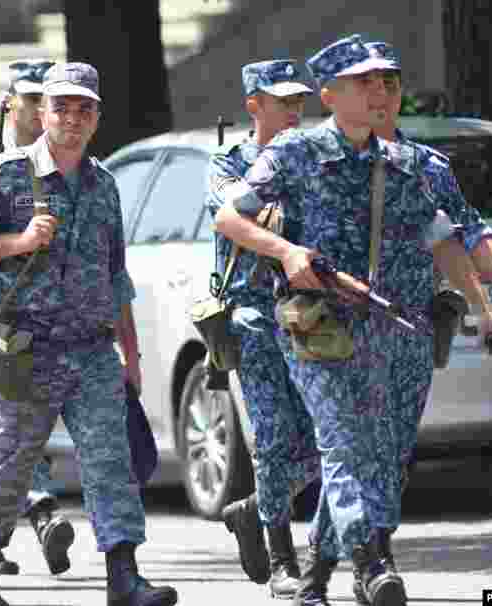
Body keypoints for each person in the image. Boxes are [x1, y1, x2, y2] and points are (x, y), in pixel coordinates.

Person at [214, 35, 492, 606]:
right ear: (330, 95)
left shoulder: (417, 164)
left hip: (403, 332)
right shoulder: (295, 153)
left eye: (389, 82)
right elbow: (231, 218)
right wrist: (288, 252)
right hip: (323, 329)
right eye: (365, 83)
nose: (381, 92)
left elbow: (457, 234)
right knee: (345, 447)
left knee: (386, 458)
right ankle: (373, 560)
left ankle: (316, 574)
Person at [0, 62, 178, 606]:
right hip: (26, 346)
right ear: (44, 113)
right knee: (10, 460)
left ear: (96, 117)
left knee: (110, 460)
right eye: (62, 107)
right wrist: (19, 242)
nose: (72, 118)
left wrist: (131, 355)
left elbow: (116, 275)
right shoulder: (7, 174)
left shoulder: (104, 185)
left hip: (92, 348)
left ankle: (124, 575)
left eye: (84, 109)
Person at [207, 60, 323, 600]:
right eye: (284, 101)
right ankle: (282, 559)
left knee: (326, 436)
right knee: (275, 439)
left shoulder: (312, 157)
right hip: (253, 316)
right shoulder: (227, 163)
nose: (296, 110)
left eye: (300, 100)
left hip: (311, 314)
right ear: (254, 104)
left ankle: (254, 509)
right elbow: (241, 219)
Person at [0, 58, 77, 579]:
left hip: (54, 326)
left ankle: (34, 515)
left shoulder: (71, 165)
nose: (40, 109)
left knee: (19, 432)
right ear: (9, 103)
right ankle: (6, 529)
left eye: (47, 98)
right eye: (32, 98)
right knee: (2, 436)